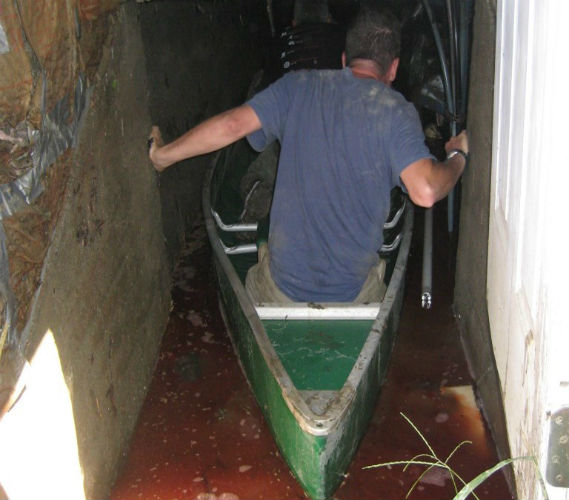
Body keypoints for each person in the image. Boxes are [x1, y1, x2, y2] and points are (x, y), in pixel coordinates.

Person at [148, 4, 468, 304]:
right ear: (394, 68)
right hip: (354, 294)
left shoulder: (296, 87)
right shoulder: (398, 112)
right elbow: (425, 191)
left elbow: (232, 125)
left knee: (264, 244)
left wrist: (164, 155)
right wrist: (457, 158)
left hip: (280, 292)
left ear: (344, 59)